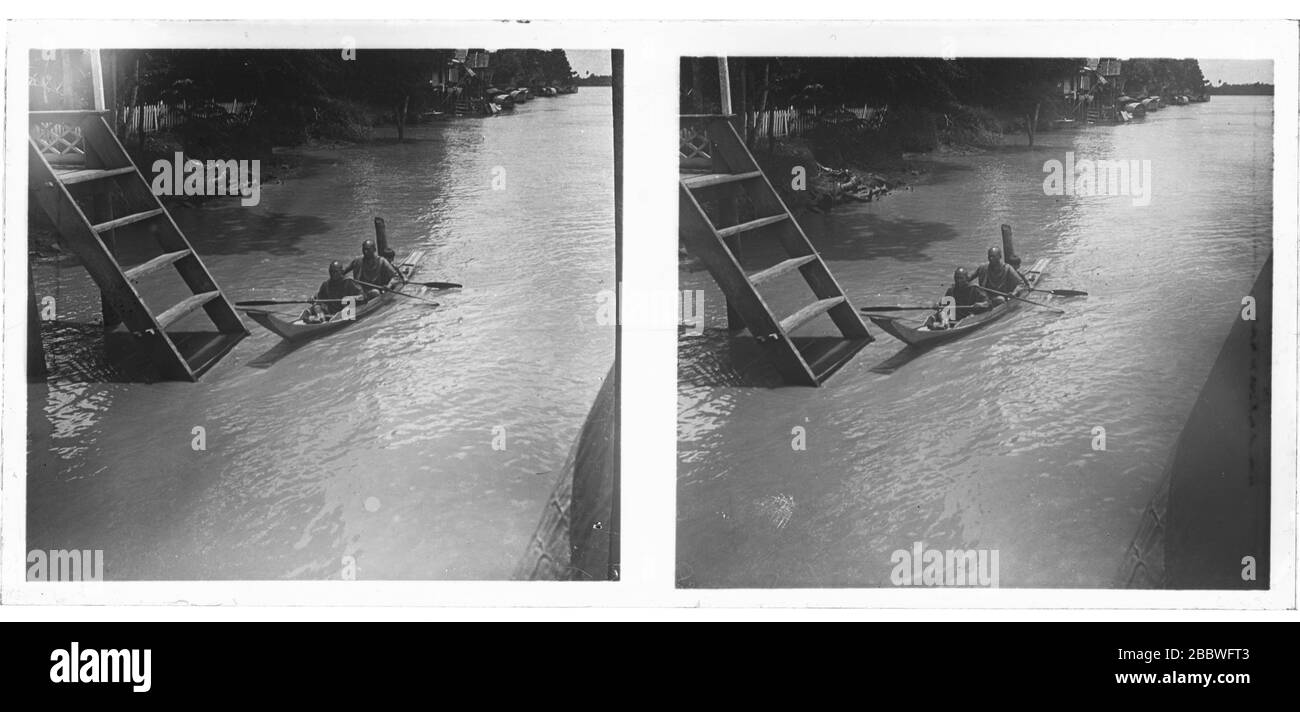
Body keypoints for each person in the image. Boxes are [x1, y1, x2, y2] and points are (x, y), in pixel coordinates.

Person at [301, 261, 366, 323]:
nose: (333, 274)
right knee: (316, 307)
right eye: (331, 271)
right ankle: (319, 319)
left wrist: (350, 298)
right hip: (331, 310)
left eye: (335, 272)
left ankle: (319, 319)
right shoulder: (326, 284)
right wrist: (313, 299)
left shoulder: (349, 282)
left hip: (345, 309)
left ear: (341, 272)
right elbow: (319, 298)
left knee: (348, 308)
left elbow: (363, 296)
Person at [926, 267, 990, 329]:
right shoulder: (951, 289)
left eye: (961, 278)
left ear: (966, 278)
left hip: (968, 316)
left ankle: (944, 325)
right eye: (956, 278)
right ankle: (944, 324)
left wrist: (980, 304)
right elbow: (943, 303)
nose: (958, 281)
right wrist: (937, 305)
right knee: (942, 311)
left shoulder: (975, 289)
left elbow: (988, 303)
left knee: (970, 316)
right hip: (954, 315)